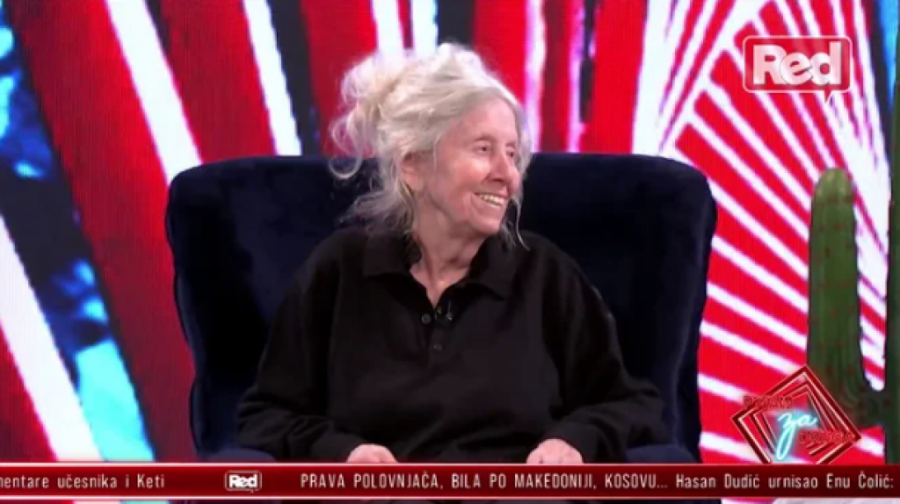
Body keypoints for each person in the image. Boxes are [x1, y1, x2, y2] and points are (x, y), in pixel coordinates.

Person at [236, 43, 668, 471]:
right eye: (483, 149)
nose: (507, 174)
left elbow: (633, 405)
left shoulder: (545, 275)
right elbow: (267, 415)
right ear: (413, 165)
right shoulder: (339, 271)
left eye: (512, 153)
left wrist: (574, 440)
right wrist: (341, 452)